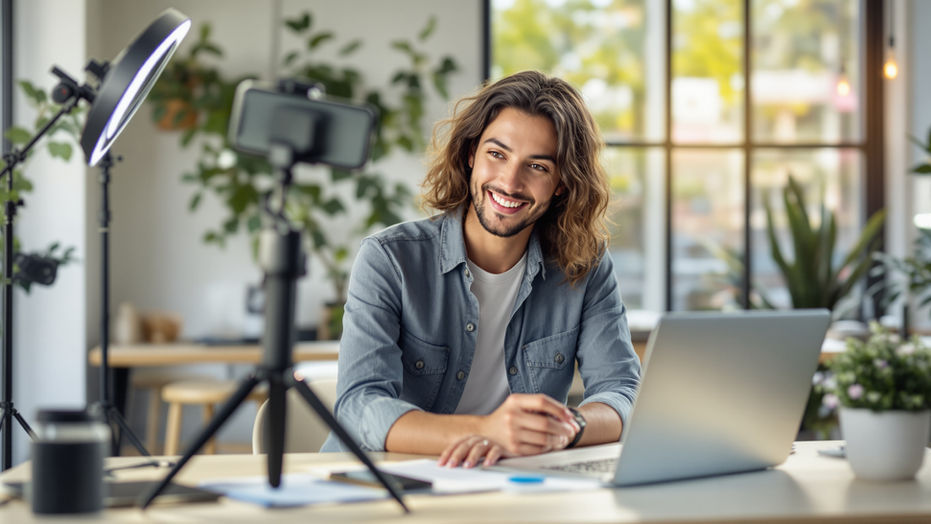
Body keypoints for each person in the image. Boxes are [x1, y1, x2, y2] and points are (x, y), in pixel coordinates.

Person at [320, 70, 641, 467]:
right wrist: (486, 430)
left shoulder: (584, 266)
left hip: (511, 481)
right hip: (383, 480)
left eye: (538, 166)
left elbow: (623, 392)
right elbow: (359, 407)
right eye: (497, 154)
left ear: (561, 182)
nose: (510, 182)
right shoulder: (389, 259)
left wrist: (566, 428)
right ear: (471, 154)